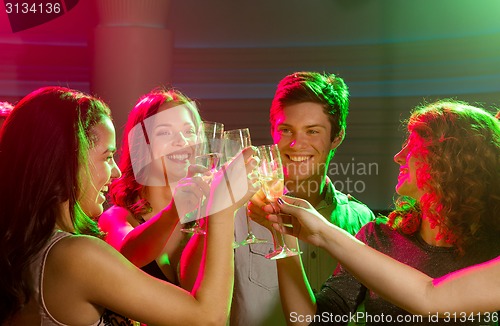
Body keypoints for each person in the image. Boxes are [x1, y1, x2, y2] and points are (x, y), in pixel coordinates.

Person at [0, 86, 259, 325]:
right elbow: (208, 320)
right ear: (66, 161)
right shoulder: (75, 253)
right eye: (107, 156)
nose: (114, 172)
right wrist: (222, 210)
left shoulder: (37, 248)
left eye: (189, 131)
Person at [258, 99, 500, 325]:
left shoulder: (492, 250)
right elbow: (308, 321)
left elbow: (429, 295)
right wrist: (285, 233)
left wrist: (321, 231)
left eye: (413, 147)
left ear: (450, 162)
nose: (398, 157)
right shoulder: (378, 238)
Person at [180, 71, 375, 325]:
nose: (296, 144)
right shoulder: (238, 209)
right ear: (273, 131)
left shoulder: (361, 221)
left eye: (312, 132)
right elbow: (189, 284)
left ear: (336, 138)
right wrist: (212, 211)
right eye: (286, 130)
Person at [99, 88, 202, 284]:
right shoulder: (117, 218)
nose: (182, 141)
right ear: (142, 143)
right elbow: (128, 258)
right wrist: (176, 209)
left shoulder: (205, 217)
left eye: (189, 131)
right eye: (165, 132)